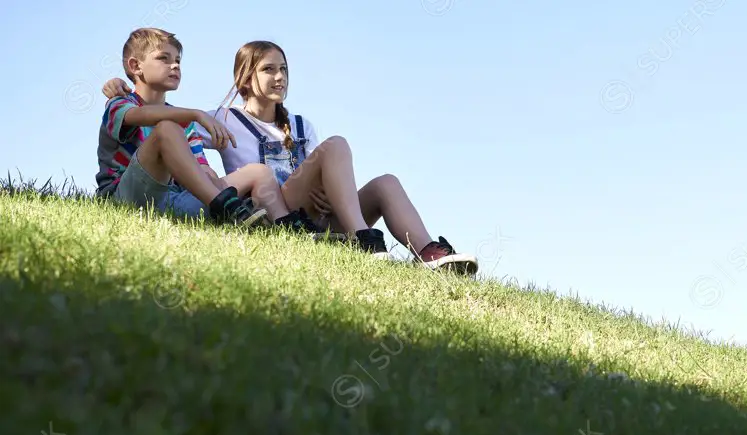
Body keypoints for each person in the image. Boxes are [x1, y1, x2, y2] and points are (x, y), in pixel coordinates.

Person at [102, 40, 479, 274]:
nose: (280, 77)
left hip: (317, 213)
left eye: (283, 69)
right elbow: (176, 139)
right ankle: (362, 238)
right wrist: (120, 87)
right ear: (245, 79)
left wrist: (329, 195)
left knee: (383, 182)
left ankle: (428, 253)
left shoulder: (300, 125)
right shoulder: (222, 119)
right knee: (327, 148)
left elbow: (323, 169)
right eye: (269, 69)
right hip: (277, 208)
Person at [95, 28, 312, 231]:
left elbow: (201, 168)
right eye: (164, 58)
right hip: (127, 198)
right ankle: (226, 207)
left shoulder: (185, 123)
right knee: (167, 129)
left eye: (178, 60)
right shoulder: (120, 103)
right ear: (135, 66)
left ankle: (285, 225)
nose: (175, 66)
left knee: (259, 171)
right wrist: (197, 114)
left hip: (171, 201)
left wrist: (218, 181)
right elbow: (139, 116)